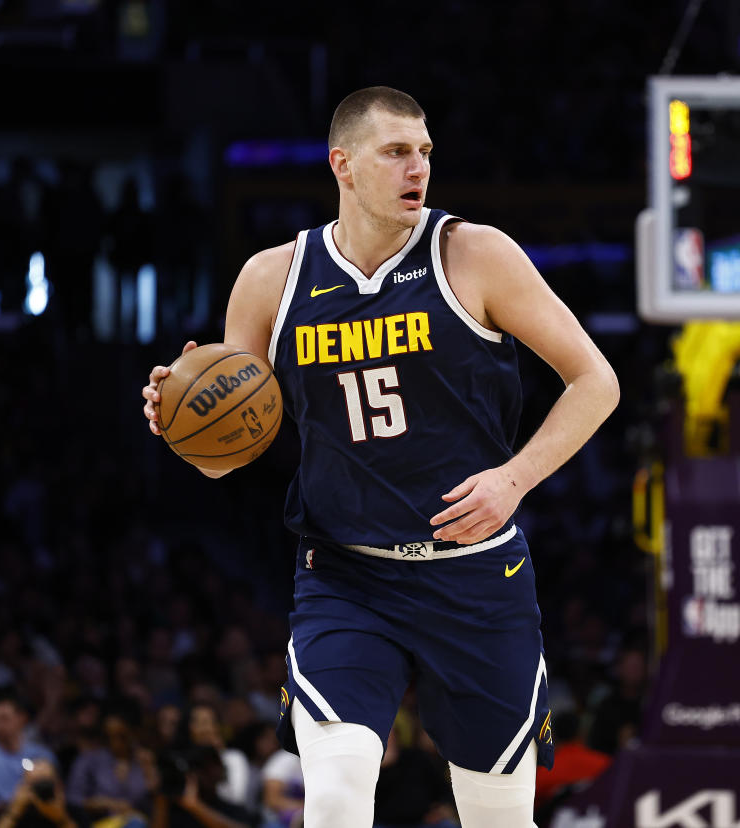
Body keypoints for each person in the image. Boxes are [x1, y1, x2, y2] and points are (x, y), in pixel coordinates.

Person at [141, 85, 619, 828]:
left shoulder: (474, 255)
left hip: (474, 576)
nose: (417, 167)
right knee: (333, 799)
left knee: (499, 820)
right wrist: (179, 417)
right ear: (345, 166)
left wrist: (514, 478)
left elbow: (598, 381)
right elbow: (224, 456)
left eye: (425, 152)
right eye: (396, 152)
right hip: (346, 574)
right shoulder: (273, 279)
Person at [0, 693, 58, 815]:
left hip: (35, 816)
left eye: (4, 718)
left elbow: (54, 797)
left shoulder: (43, 755)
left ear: (22, 718)